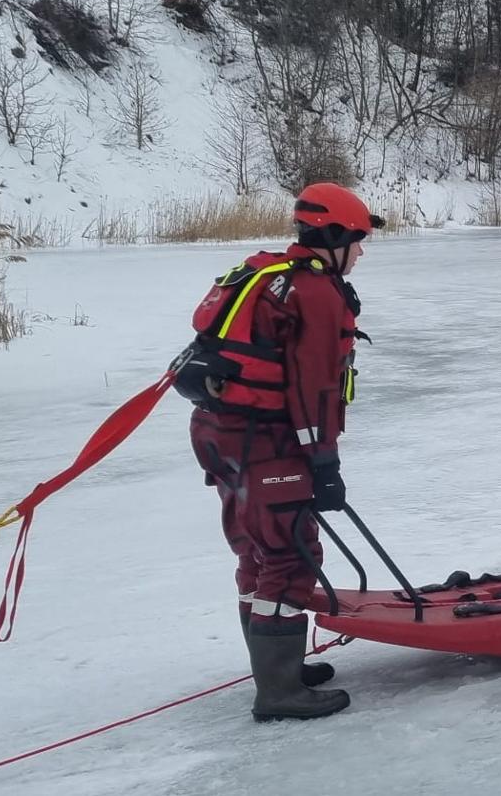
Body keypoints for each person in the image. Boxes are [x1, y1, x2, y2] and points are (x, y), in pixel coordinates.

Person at [173, 182, 381, 721]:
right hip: (266, 442)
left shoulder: (267, 274)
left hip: (219, 435)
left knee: (257, 553)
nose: (361, 251)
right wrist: (324, 462)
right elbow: (313, 388)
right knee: (290, 556)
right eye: (357, 240)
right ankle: (280, 690)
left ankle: (278, 669)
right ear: (332, 236)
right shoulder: (316, 292)